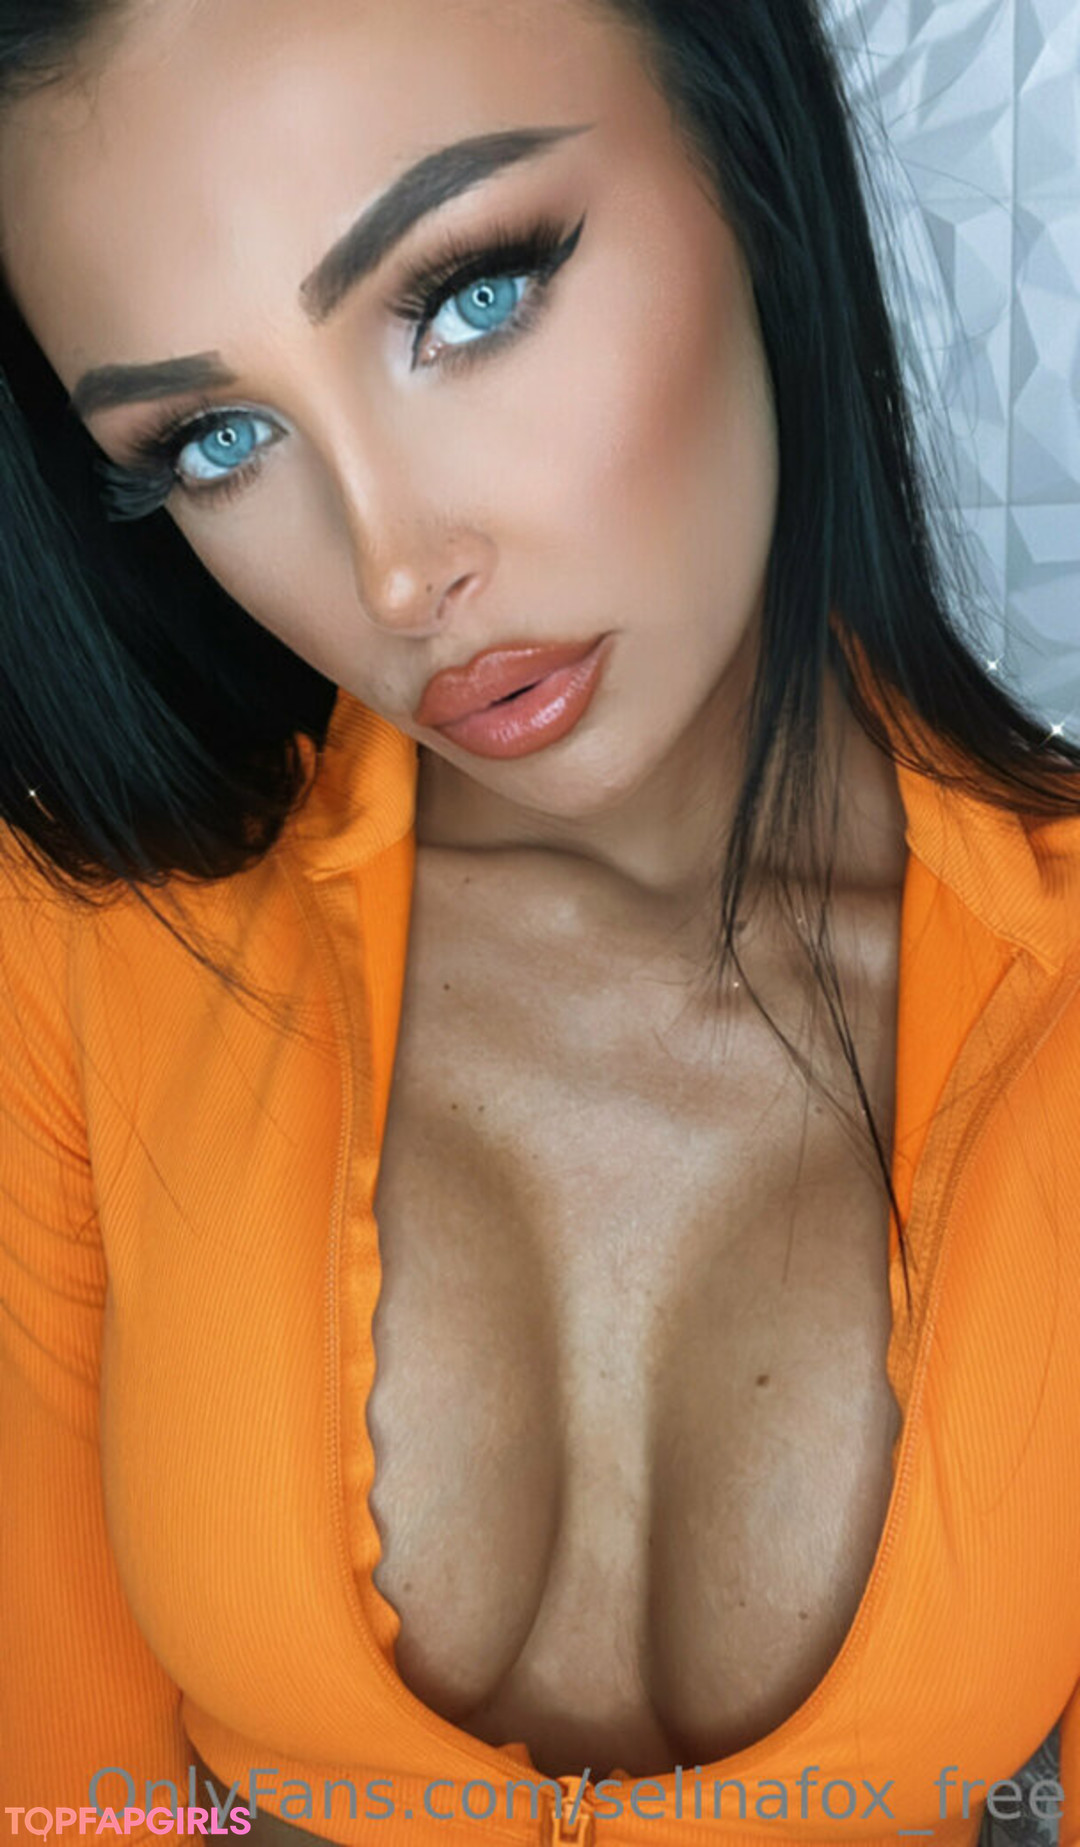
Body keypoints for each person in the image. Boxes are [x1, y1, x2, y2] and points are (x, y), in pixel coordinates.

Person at [1, 1, 1078, 1843]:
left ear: (748, 159)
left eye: (471, 297)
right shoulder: (85, 951)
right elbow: (63, 1807)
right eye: (215, 439)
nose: (395, 572)